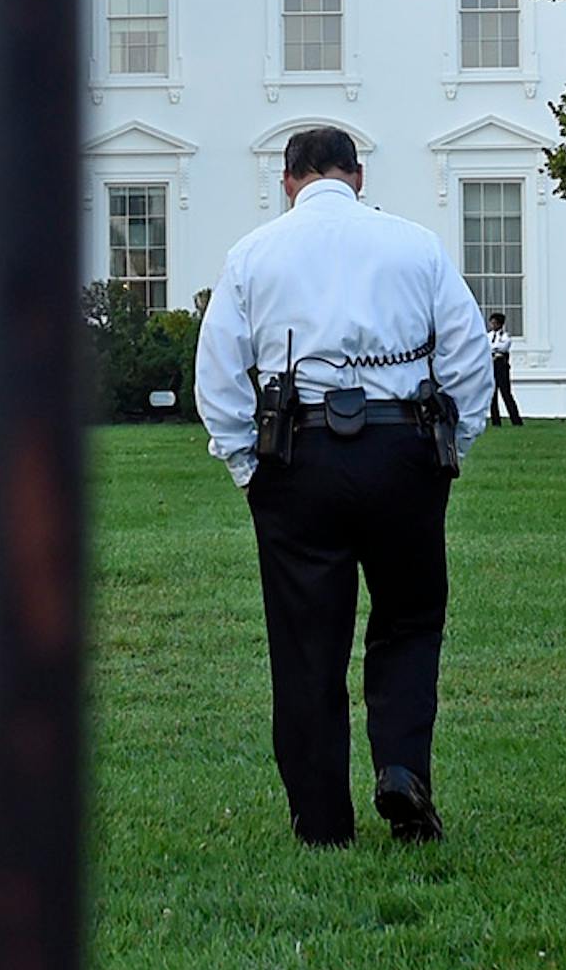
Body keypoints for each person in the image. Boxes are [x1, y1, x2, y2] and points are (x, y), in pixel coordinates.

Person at [195, 127, 491, 847]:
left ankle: (322, 820)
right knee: (410, 620)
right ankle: (400, 769)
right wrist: (451, 446)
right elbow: (466, 351)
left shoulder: (254, 254)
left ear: (288, 180)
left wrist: (247, 467)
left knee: (305, 642)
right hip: (403, 450)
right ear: (356, 176)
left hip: (299, 455)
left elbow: (219, 374)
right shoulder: (416, 244)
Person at [487, 313, 524, 426]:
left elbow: (503, 347)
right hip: (491, 366)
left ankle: (516, 420)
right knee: (492, 395)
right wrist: (495, 349)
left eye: (494, 323)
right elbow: (487, 346)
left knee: (506, 393)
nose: (492, 325)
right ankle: (495, 421)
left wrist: (494, 349)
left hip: (501, 367)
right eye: (491, 323)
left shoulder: (505, 336)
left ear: (500, 324)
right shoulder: (488, 335)